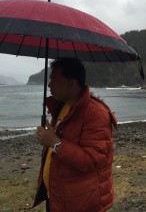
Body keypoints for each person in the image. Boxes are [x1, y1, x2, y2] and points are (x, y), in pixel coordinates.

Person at [33, 58, 117, 212]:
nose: (50, 85)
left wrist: (55, 143)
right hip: (59, 195)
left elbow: (92, 161)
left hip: (81, 201)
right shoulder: (63, 106)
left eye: (54, 80)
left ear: (72, 83)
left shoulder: (95, 113)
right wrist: (48, 139)